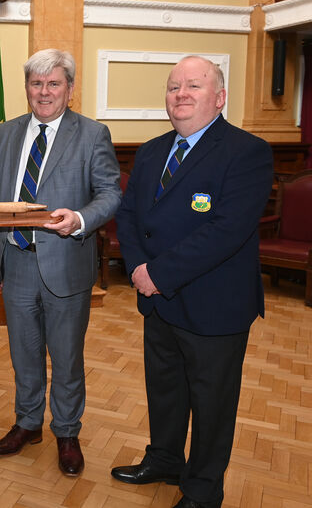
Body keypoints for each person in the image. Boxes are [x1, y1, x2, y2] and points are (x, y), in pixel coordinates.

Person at [112, 55, 273, 508]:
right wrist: (140, 272)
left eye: (194, 86)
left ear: (219, 98)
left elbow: (226, 230)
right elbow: (129, 217)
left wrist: (157, 274)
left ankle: (203, 489)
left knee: (211, 404)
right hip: (159, 301)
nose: (181, 93)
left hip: (213, 305)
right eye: (173, 86)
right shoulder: (149, 150)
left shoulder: (248, 152)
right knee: (164, 388)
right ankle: (164, 458)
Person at [0, 49, 121, 476]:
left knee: (66, 357)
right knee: (23, 354)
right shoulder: (6, 132)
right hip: (16, 260)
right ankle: (28, 423)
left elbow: (110, 194)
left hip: (66, 264)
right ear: (26, 87)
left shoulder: (93, 134)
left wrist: (80, 219)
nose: (43, 92)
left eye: (53, 84)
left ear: (70, 89)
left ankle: (66, 431)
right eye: (36, 84)